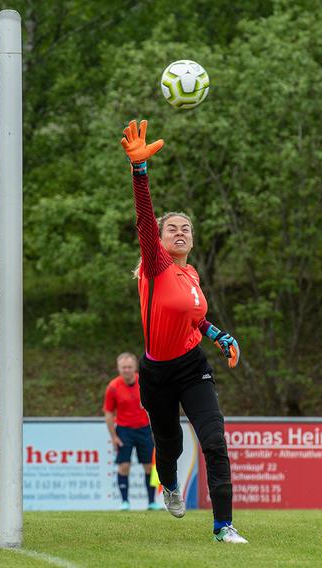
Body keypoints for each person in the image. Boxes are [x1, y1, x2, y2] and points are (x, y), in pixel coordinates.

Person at [120, 119, 248, 544]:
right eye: (171, 227)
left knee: (214, 441)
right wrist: (141, 173)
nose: (180, 232)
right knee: (170, 446)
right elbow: (143, 217)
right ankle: (170, 485)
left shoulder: (191, 273)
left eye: (186, 229)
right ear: (159, 239)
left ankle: (223, 526)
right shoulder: (156, 266)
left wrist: (219, 336)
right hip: (157, 375)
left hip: (193, 367)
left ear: (192, 241)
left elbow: (195, 318)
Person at [102, 352, 160, 511]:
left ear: (135, 367)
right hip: (124, 430)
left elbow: (156, 405)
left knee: (149, 466)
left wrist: (156, 429)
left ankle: (151, 502)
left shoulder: (145, 382)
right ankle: (125, 502)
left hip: (144, 429)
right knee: (123, 466)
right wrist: (113, 436)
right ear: (118, 368)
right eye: (123, 367)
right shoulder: (113, 387)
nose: (126, 370)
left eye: (129, 367)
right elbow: (108, 412)